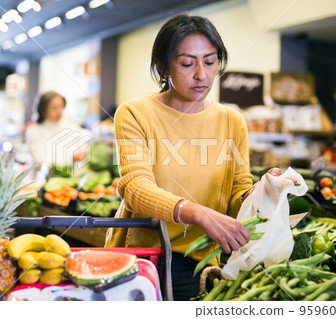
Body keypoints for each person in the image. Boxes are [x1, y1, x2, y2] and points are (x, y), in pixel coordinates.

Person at [105, 14, 281, 301]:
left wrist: (261, 192)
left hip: (202, 263)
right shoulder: (135, 113)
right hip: (146, 258)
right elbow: (136, 188)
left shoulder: (232, 120)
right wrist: (198, 212)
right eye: (187, 63)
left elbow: (237, 197)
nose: (202, 74)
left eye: (210, 62)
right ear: (163, 67)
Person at [25, 91, 87, 175]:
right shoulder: (34, 130)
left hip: (71, 178)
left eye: (61, 107)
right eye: (54, 108)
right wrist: (70, 159)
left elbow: (83, 148)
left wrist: (82, 155)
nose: (59, 111)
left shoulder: (72, 126)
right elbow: (41, 161)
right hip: (44, 181)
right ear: (43, 110)